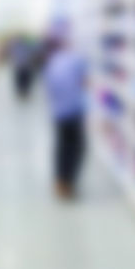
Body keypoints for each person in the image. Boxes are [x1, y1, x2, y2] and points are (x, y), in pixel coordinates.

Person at [43, 34, 88, 200]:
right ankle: (70, 183)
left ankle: (60, 181)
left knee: (61, 148)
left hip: (58, 113)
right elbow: (84, 82)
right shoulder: (76, 60)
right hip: (74, 111)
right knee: (77, 149)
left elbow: (49, 88)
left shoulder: (51, 63)